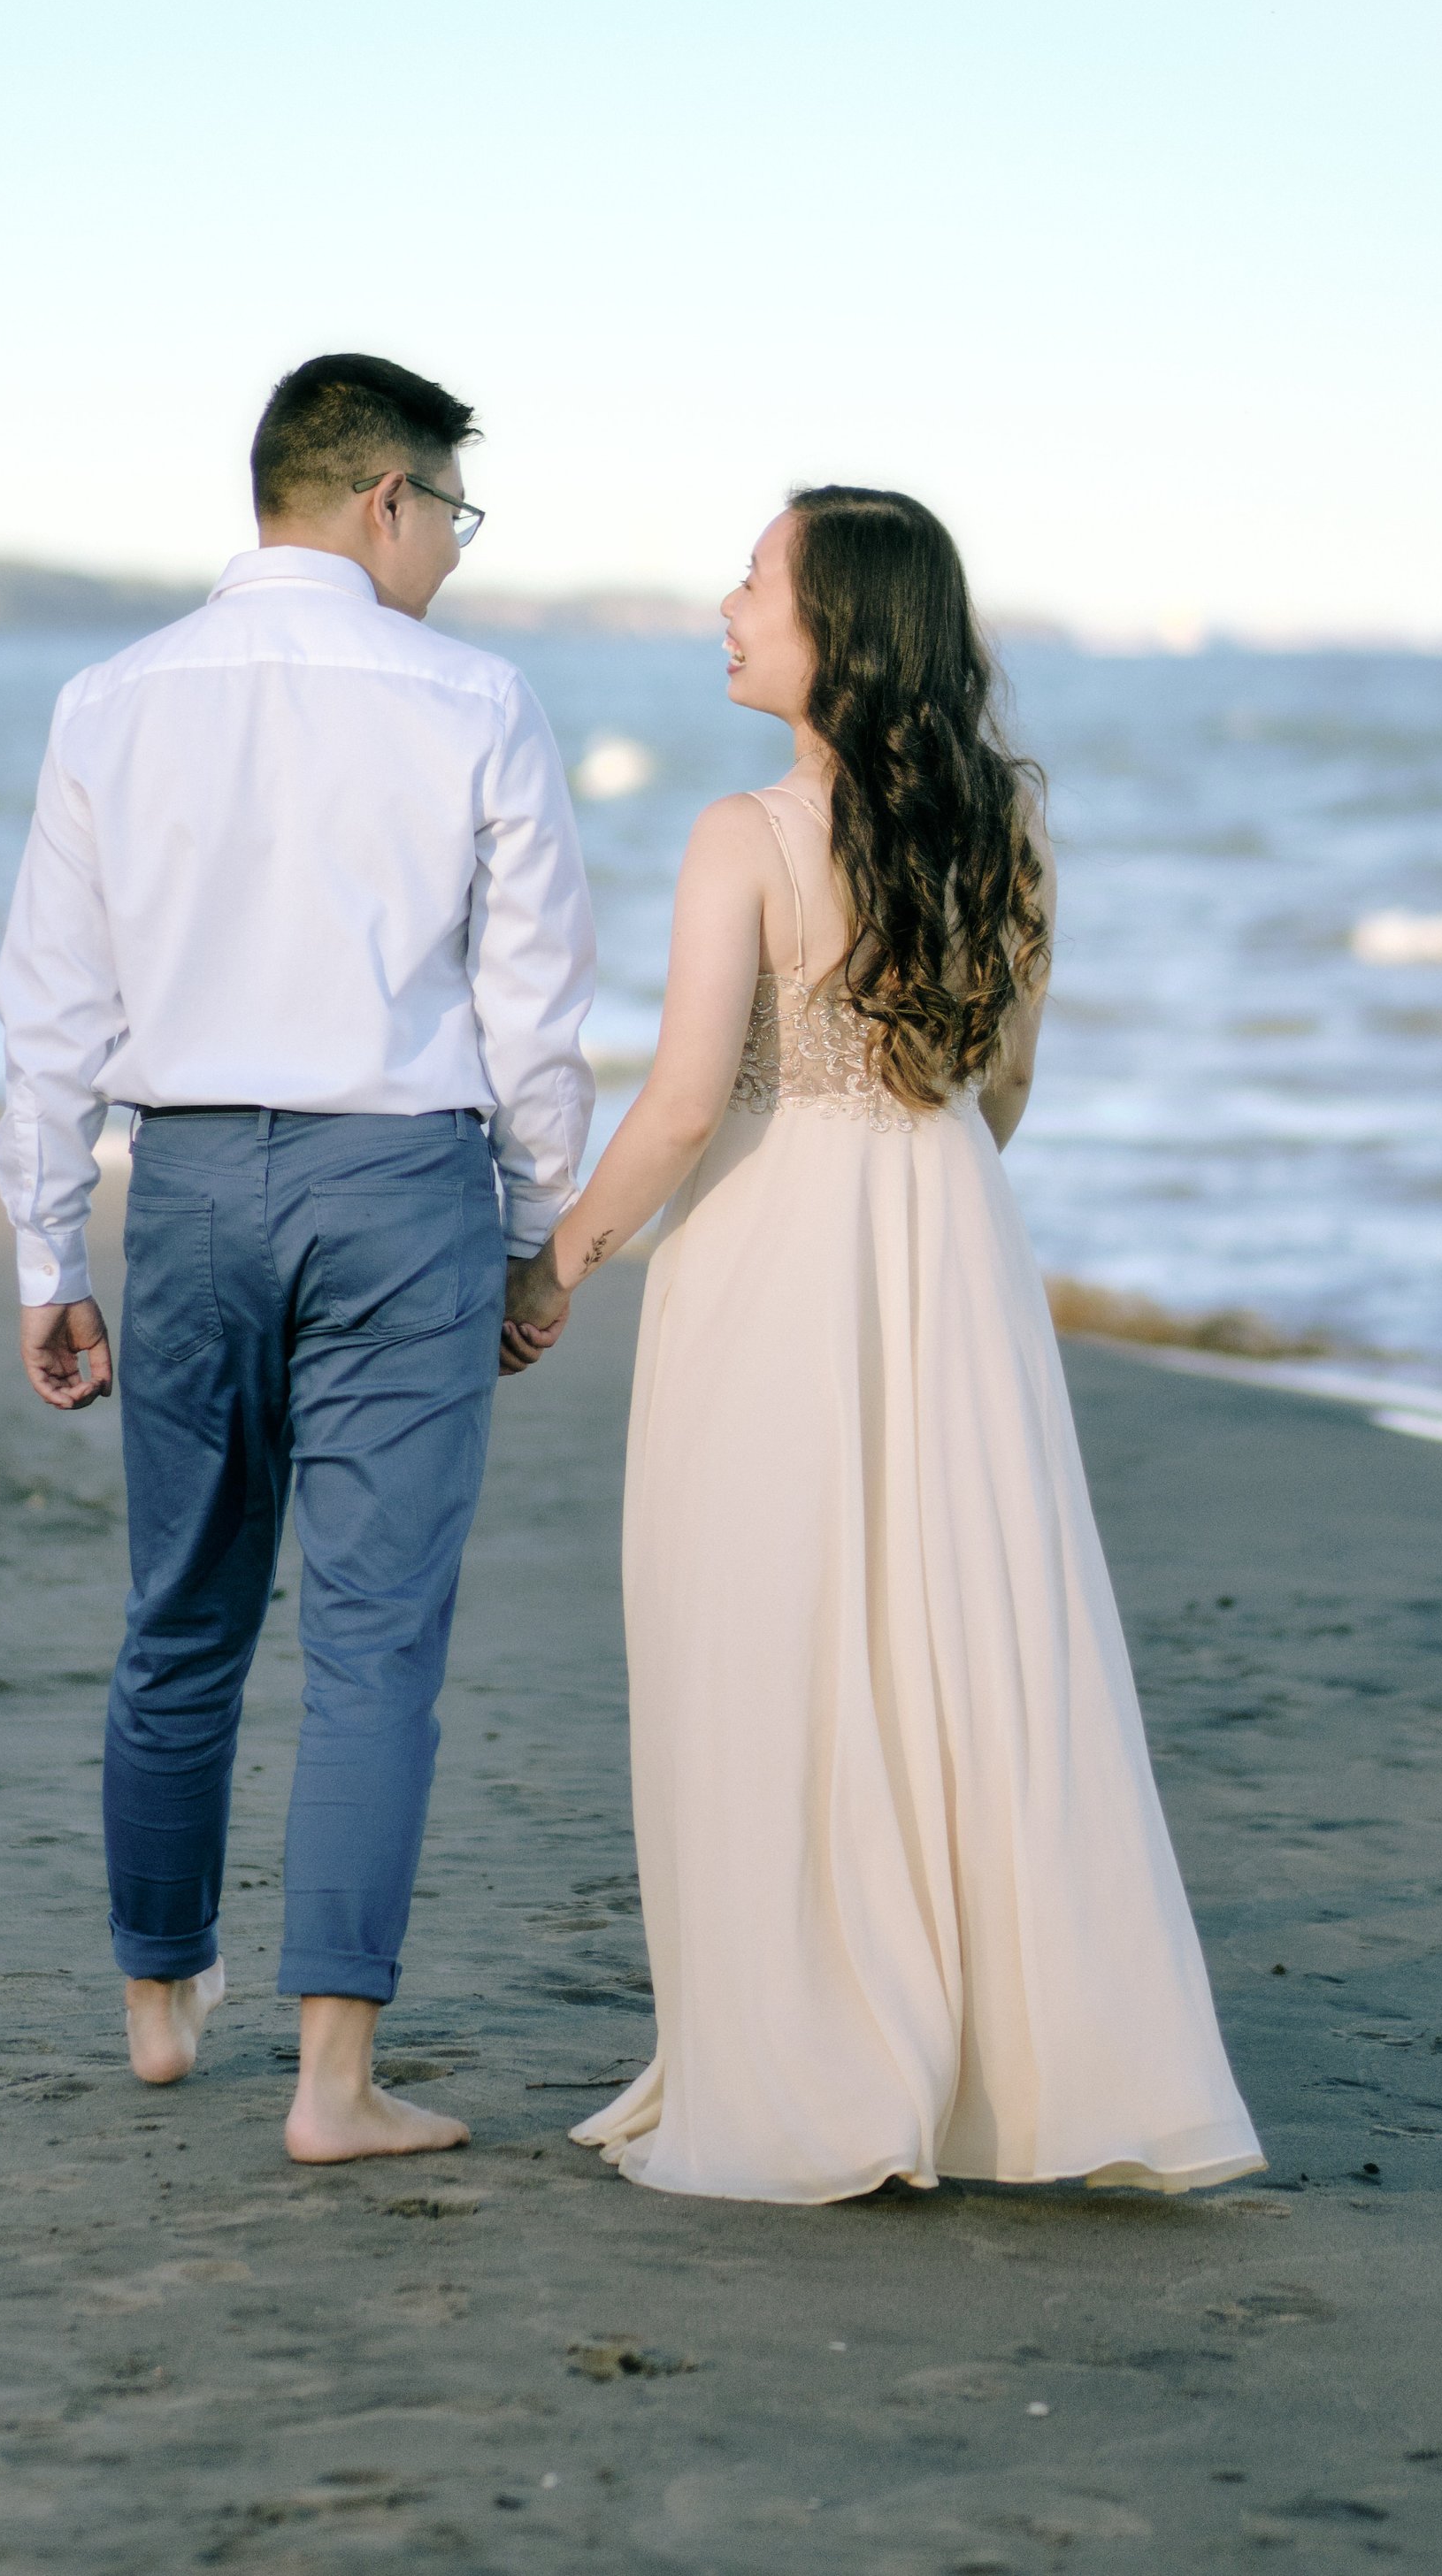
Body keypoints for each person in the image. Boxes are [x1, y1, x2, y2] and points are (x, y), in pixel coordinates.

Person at [518, 487, 1263, 2203]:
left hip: (776, 1254)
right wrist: (917, 1197)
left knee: (772, 1632)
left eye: (753, 577)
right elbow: (1000, 1088)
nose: (722, 602)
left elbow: (689, 1101)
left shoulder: (742, 835)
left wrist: (551, 1262)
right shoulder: (1003, 826)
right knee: (963, 1640)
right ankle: (1003, 2075)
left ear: (832, 623)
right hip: (949, 1246)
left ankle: (806, 2058)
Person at [0, 355, 594, 2164]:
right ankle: (333, 2088)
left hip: (180, 1189)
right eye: (450, 522)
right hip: (397, 1186)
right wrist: (533, 1235)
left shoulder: (108, 699)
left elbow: (51, 1009)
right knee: (371, 1639)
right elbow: (532, 1013)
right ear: (383, 501)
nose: (451, 563)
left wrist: (43, 1247)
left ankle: (158, 2008)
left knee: (181, 1606)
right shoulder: (474, 699)